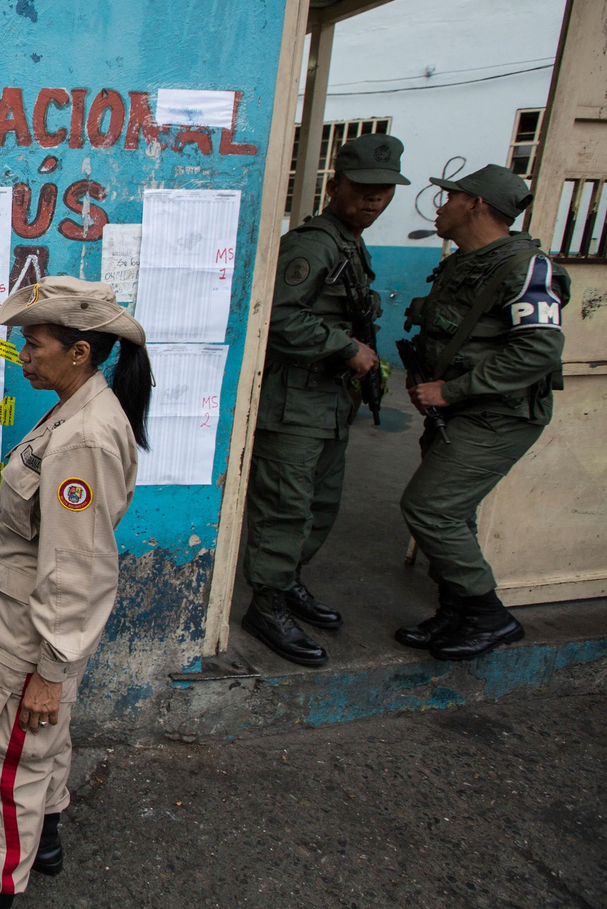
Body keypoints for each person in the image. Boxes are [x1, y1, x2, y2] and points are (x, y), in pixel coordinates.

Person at [0, 277, 152, 909]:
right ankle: (44, 843)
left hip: (36, 635)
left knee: (7, 767)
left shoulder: (84, 436)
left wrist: (50, 669)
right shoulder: (75, 407)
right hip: (32, 624)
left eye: (34, 343)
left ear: (79, 352)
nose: (23, 353)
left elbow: (79, 564)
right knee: (44, 745)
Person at [239, 133, 409, 667]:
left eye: (384, 191)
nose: (374, 200)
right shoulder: (312, 245)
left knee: (320, 506)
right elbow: (278, 317)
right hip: (293, 405)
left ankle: (287, 584)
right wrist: (346, 350)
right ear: (334, 186)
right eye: (362, 189)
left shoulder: (350, 244)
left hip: (330, 405)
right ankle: (266, 605)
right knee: (284, 509)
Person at [397, 165, 569, 660]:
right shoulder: (464, 262)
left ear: (475, 204)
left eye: (450, 196)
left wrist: (453, 390)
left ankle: (489, 617)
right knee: (455, 513)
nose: (440, 204)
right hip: (461, 413)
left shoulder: (525, 268)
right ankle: (457, 613)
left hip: (498, 415)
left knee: (429, 508)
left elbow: (539, 350)